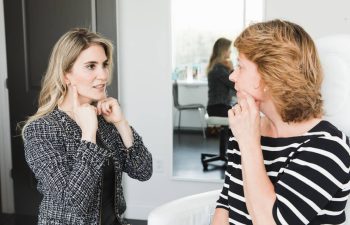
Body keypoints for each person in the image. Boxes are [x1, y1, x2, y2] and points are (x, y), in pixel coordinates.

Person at [212, 19, 350, 225]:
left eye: (241, 66)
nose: (232, 76)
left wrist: (249, 143)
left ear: (269, 77)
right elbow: (226, 204)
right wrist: (246, 137)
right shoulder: (246, 127)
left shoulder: (329, 148)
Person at [22, 28, 152, 225]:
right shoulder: (42, 130)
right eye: (91, 66)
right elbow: (72, 204)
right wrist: (88, 135)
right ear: (66, 75)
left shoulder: (105, 121)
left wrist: (121, 123)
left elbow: (143, 170)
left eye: (104, 65)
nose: (103, 75)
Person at [207, 37, 236, 117]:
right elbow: (234, 85)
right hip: (218, 108)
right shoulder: (218, 68)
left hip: (218, 106)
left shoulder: (218, 67)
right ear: (223, 51)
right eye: (228, 49)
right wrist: (232, 69)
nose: (230, 51)